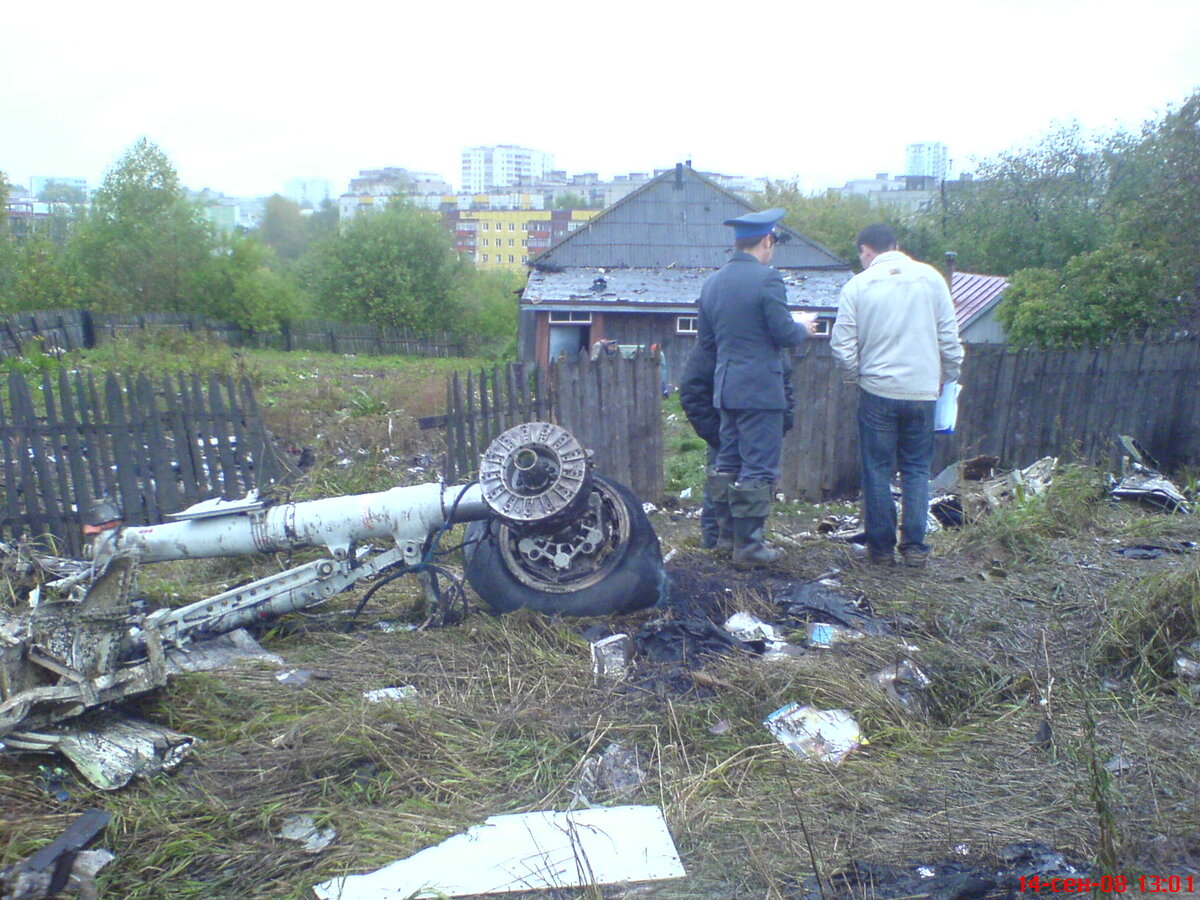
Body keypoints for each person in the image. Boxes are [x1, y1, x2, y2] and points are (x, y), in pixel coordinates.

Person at [830, 223, 963, 568]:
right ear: (896, 245)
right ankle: (916, 547)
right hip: (922, 392)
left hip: (877, 391)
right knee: (917, 469)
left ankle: (881, 548)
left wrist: (856, 378)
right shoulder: (932, 279)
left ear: (865, 250)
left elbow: (842, 347)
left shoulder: (857, 286)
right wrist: (947, 377)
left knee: (876, 470)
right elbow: (950, 339)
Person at [696, 208, 816, 568]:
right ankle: (749, 548)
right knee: (758, 467)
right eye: (774, 241)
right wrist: (803, 328)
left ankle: (727, 538)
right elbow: (782, 333)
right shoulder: (768, 279)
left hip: (725, 388)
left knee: (728, 461)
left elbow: (707, 341)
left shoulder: (712, 283)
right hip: (760, 390)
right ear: (767, 240)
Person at [679, 340, 796, 551]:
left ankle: (749, 545)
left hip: (762, 435)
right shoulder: (714, 344)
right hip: (725, 436)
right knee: (719, 494)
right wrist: (718, 436)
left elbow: (784, 383)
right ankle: (715, 547)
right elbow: (692, 391)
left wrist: (783, 421)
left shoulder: (772, 343)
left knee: (757, 489)